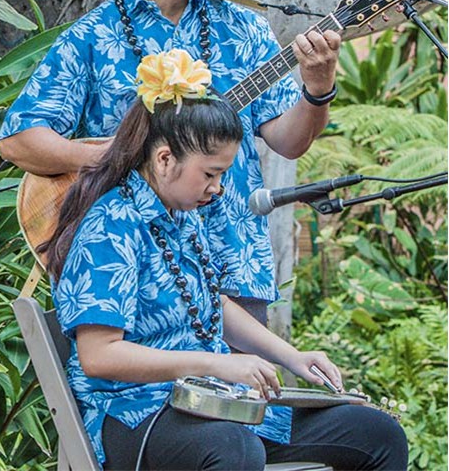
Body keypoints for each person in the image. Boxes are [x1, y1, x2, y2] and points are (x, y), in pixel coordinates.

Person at [0, 0, 342, 324]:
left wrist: (317, 89)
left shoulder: (244, 28)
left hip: (233, 262)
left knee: (250, 372)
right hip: (136, 274)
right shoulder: (92, 36)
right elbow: (19, 140)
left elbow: (289, 141)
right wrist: (110, 156)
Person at [46, 50, 407, 470]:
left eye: (222, 175)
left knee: (376, 433)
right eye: (210, 173)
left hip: (215, 406)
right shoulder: (110, 226)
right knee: (234, 449)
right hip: (135, 413)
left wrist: (292, 356)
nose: (217, 188)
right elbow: (99, 355)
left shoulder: (183, 214)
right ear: (165, 159)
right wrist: (217, 363)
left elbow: (211, 305)